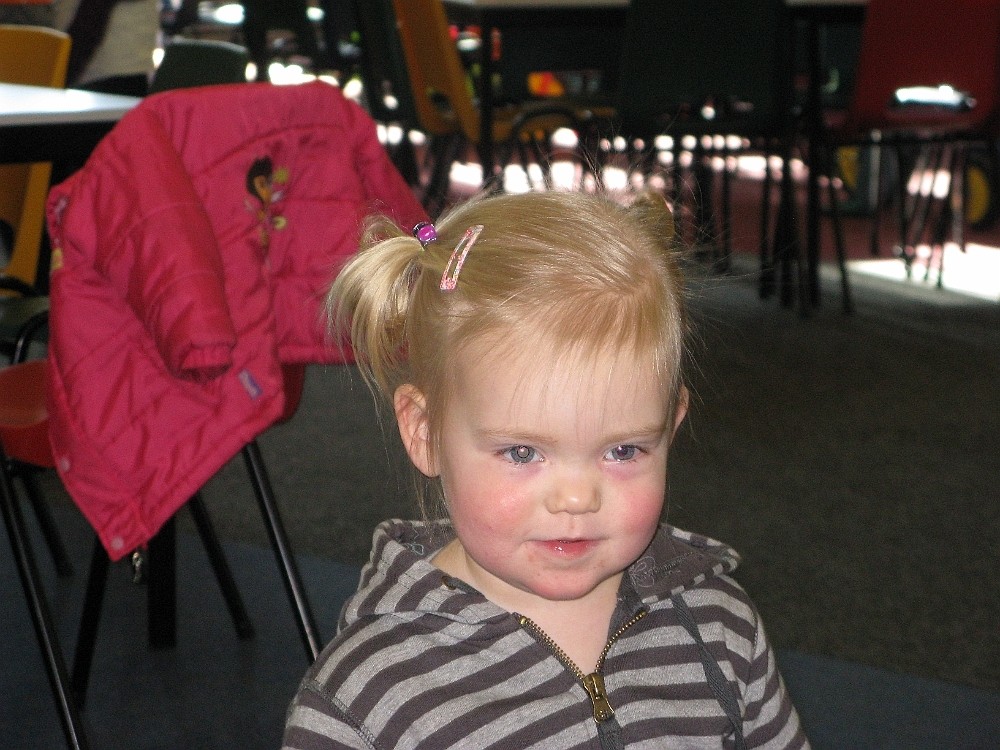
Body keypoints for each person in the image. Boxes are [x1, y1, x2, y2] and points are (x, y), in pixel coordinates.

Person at [282, 189, 808, 749]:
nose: (577, 498)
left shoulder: (719, 624)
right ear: (425, 432)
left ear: (669, 427)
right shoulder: (368, 697)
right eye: (522, 453)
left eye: (623, 451)